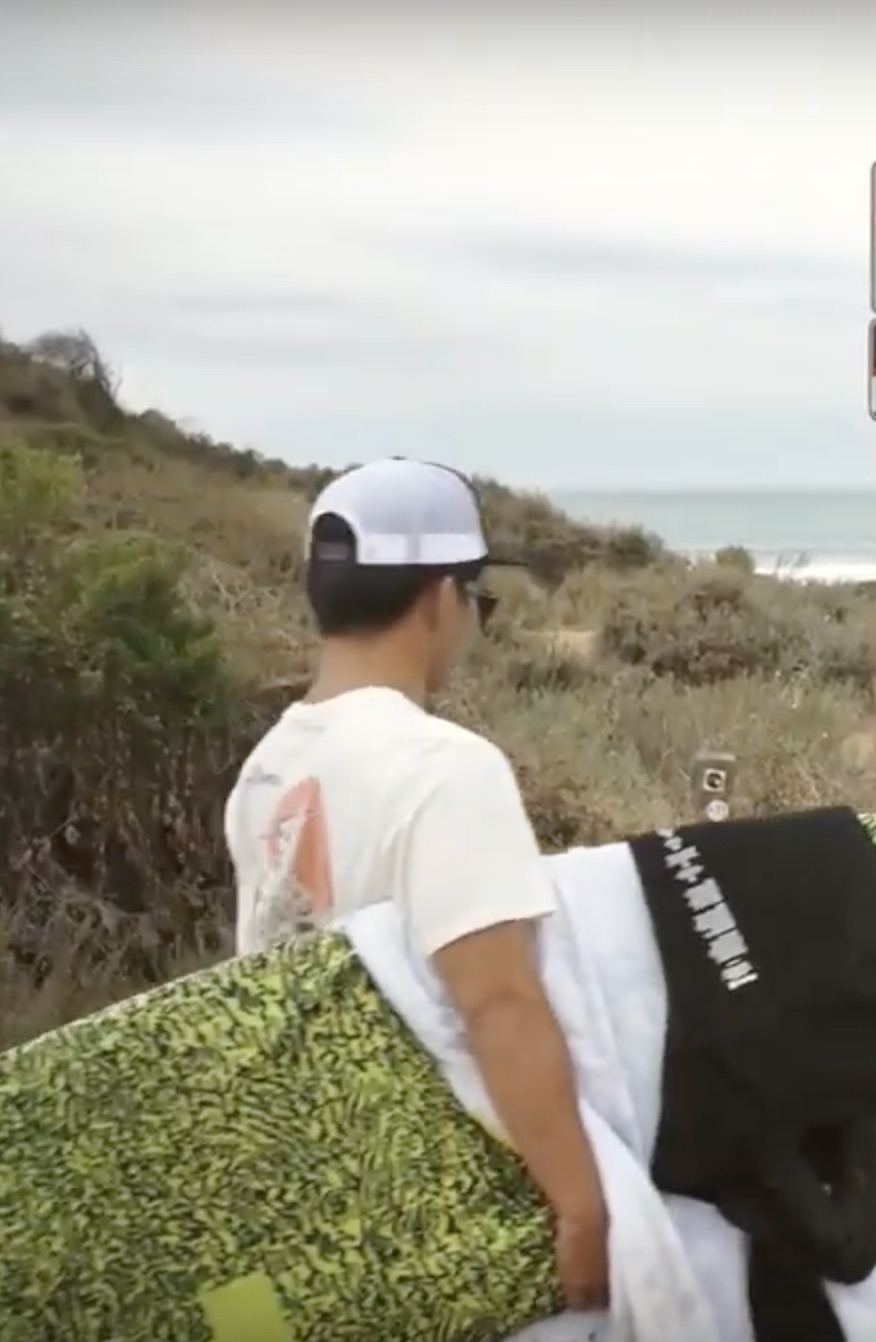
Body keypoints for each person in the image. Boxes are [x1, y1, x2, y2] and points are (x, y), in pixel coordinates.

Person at [221, 458, 610, 1311]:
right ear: (440, 597)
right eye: (479, 600)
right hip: (430, 1204)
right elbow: (497, 1004)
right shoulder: (444, 767)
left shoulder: (267, 768)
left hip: (311, 1186)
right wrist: (583, 1208)